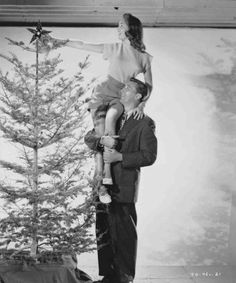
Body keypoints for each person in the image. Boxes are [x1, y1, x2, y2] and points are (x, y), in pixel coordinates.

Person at [42, 13, 153, 204]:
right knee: (103, 138)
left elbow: (149, 86)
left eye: (121, 25)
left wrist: (141, 105)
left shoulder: (144, 58)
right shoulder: (114, 48)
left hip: (120, 97)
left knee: (111, 124)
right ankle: (102, 184)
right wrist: (57, 41)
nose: (118, 29)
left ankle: (106, 178)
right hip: (102, 94)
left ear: (130, 29)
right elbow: (84, 45)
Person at [84, 78, 157, 283]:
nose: (122, 90)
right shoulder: (110, 114)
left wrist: (120, 157)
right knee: (103, 230)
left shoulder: (144, 122)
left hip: (122, 186)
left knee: (123, 233)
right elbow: (89, 138)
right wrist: (100, 140)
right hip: (101, 186)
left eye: (128, 88)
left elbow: (149, 156)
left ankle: (124, 278)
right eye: (123, 87)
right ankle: (109, 275)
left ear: (138, 96)